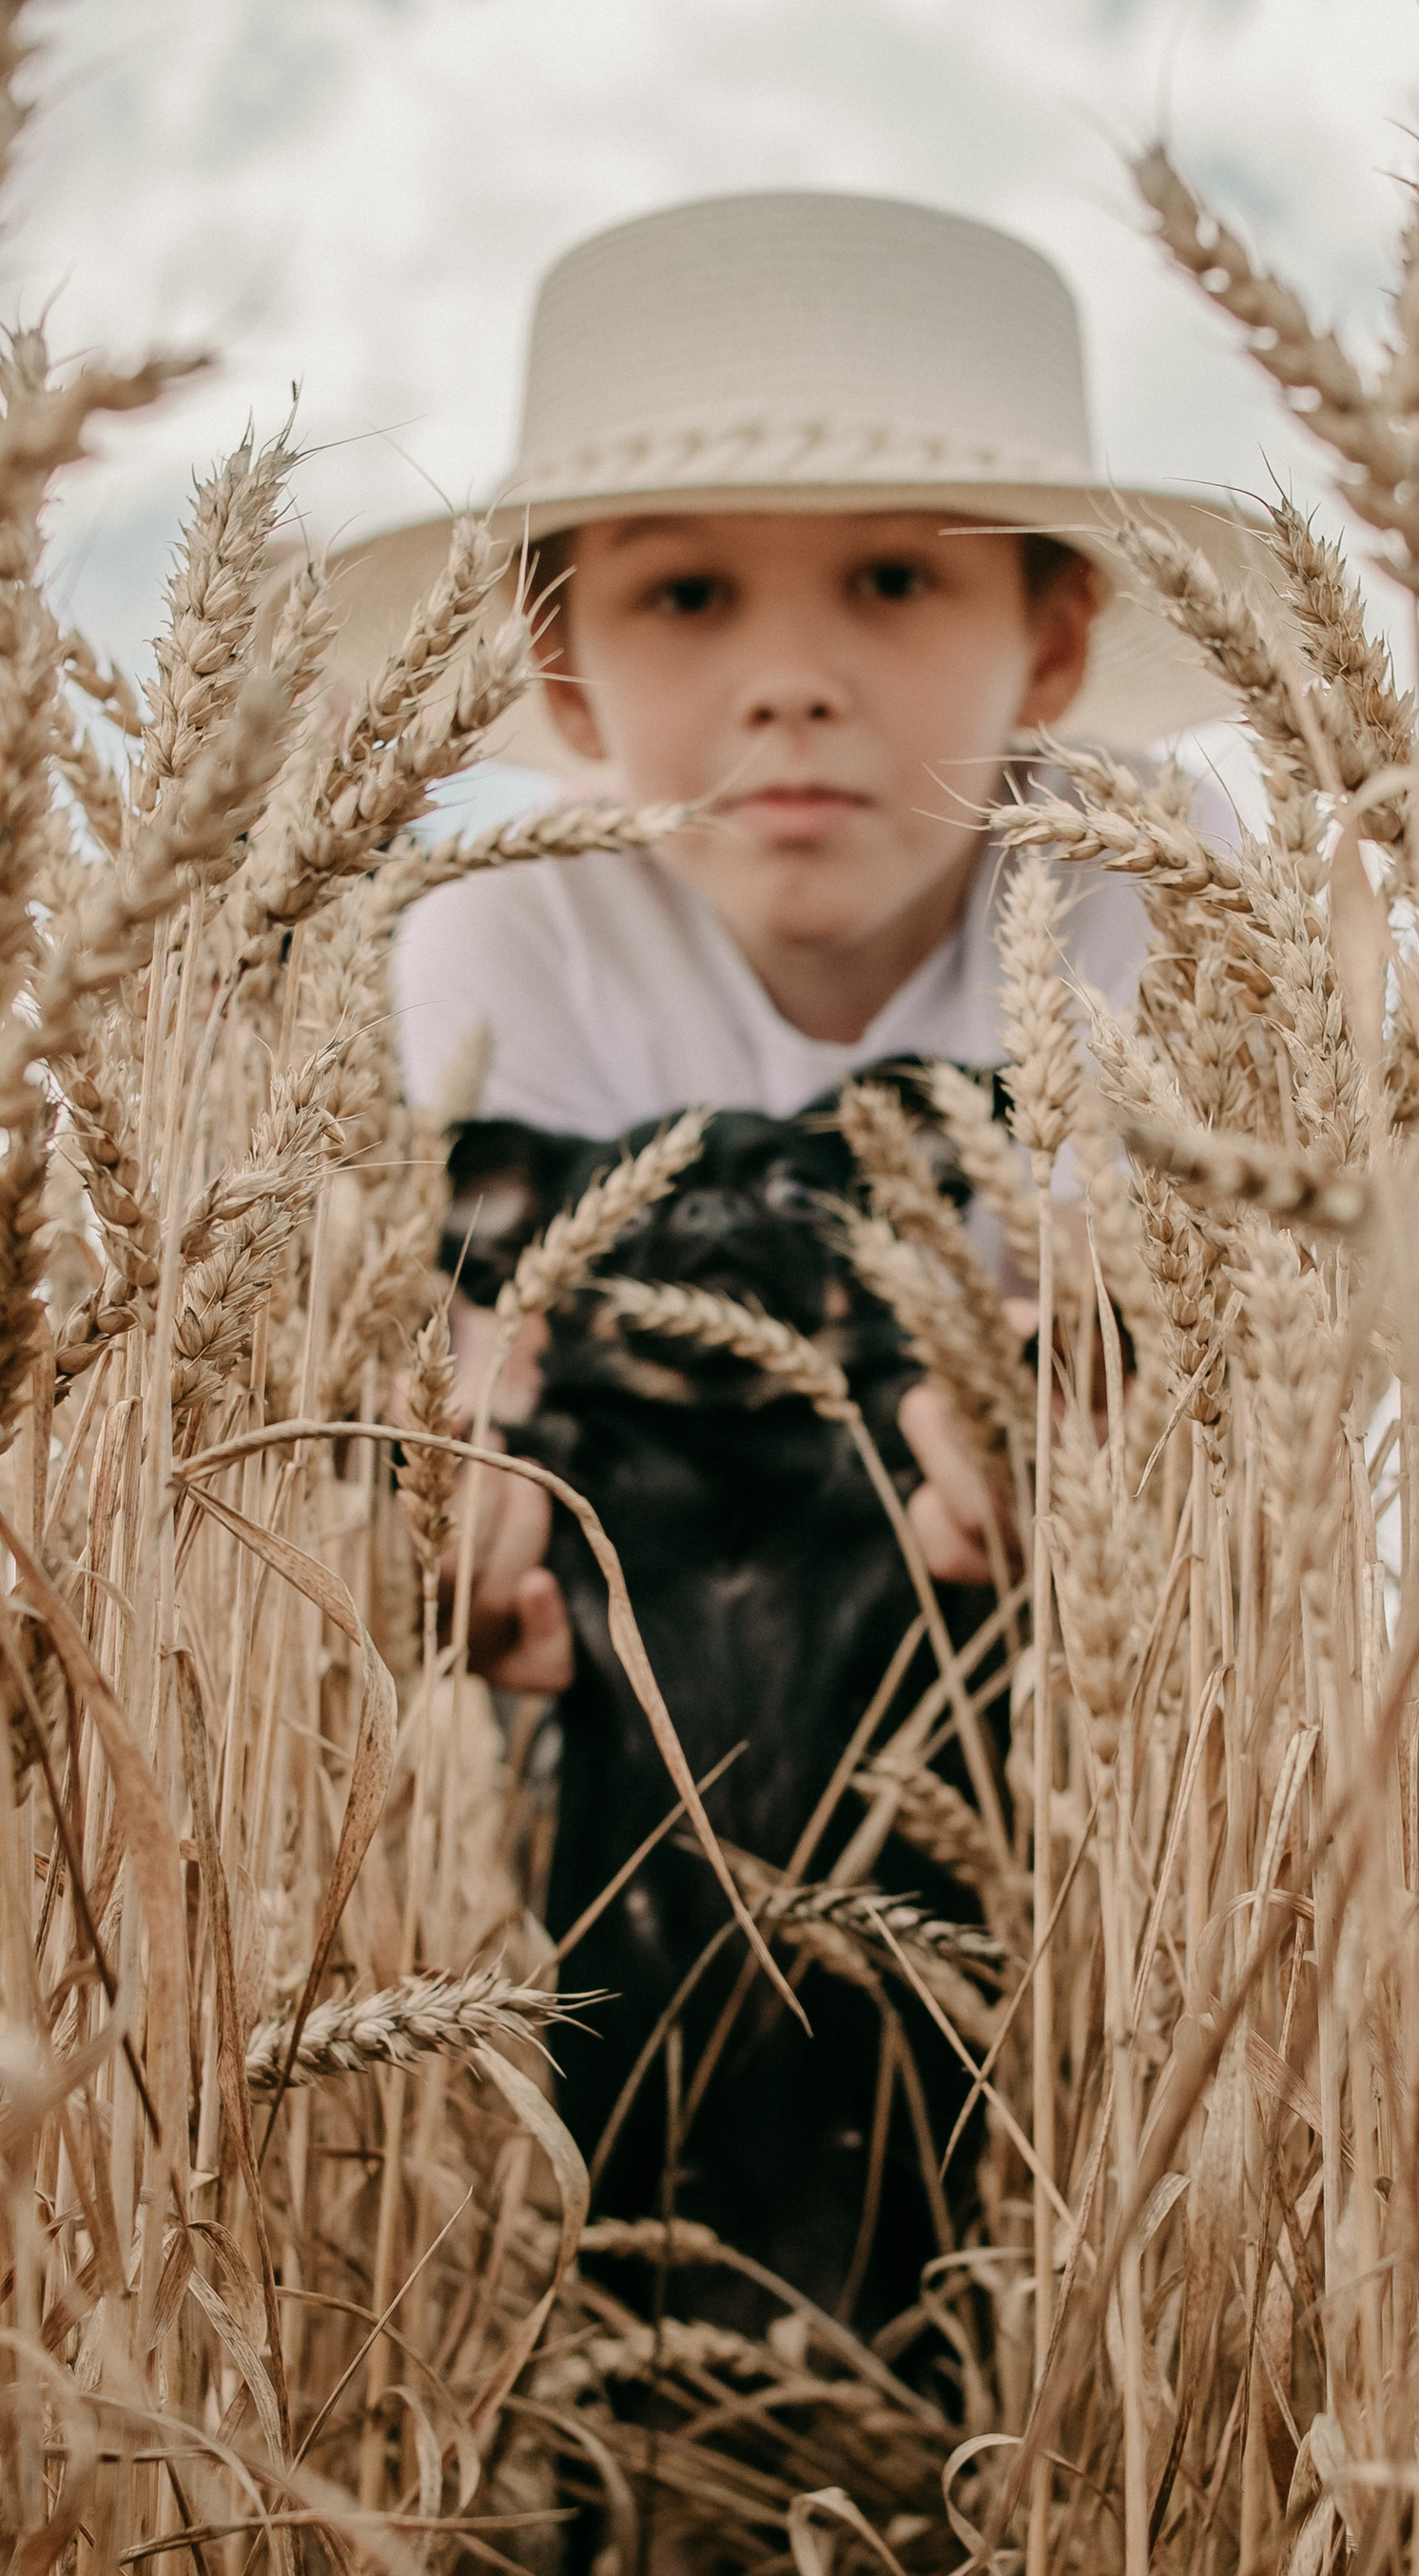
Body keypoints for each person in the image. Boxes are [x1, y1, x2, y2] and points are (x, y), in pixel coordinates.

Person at [340, 189, 1250, 2328]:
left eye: (887, 577)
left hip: (1044, 1688)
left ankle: (985, 2323)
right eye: (682, 595)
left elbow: (1185, 1307)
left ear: (1046, 641)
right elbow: (491, 1333)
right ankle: (654, 2326)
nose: (787, 682)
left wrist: (1061, 1392)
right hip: (622, 1681)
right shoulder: (499, 928)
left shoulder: (1139, 877)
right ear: (557, 674)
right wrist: (456, 1458)